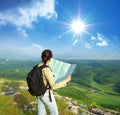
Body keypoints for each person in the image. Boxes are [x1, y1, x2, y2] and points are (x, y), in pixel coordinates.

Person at [37, 49, 71, 115]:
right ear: (50, 58)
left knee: (41, 111)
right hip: (45, 93)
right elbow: (53, 86)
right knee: (54, 112)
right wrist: (66, 80)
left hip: (38, 91)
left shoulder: (39, 65)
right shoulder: (46, 69)